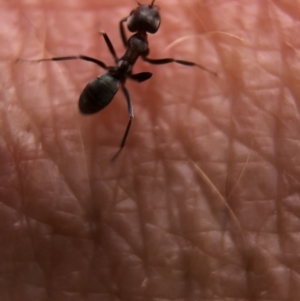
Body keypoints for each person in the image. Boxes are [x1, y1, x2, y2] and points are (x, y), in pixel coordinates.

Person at [4, 0, 299, 299]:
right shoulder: (138, 51)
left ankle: (115, 143)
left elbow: (121, 26)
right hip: (111, 81)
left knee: (122, 102)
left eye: (141, 16)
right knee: (129, 110)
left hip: (108, 81)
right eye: (142, 15)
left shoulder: (128, 37)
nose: (140, 17)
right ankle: (114, 142)